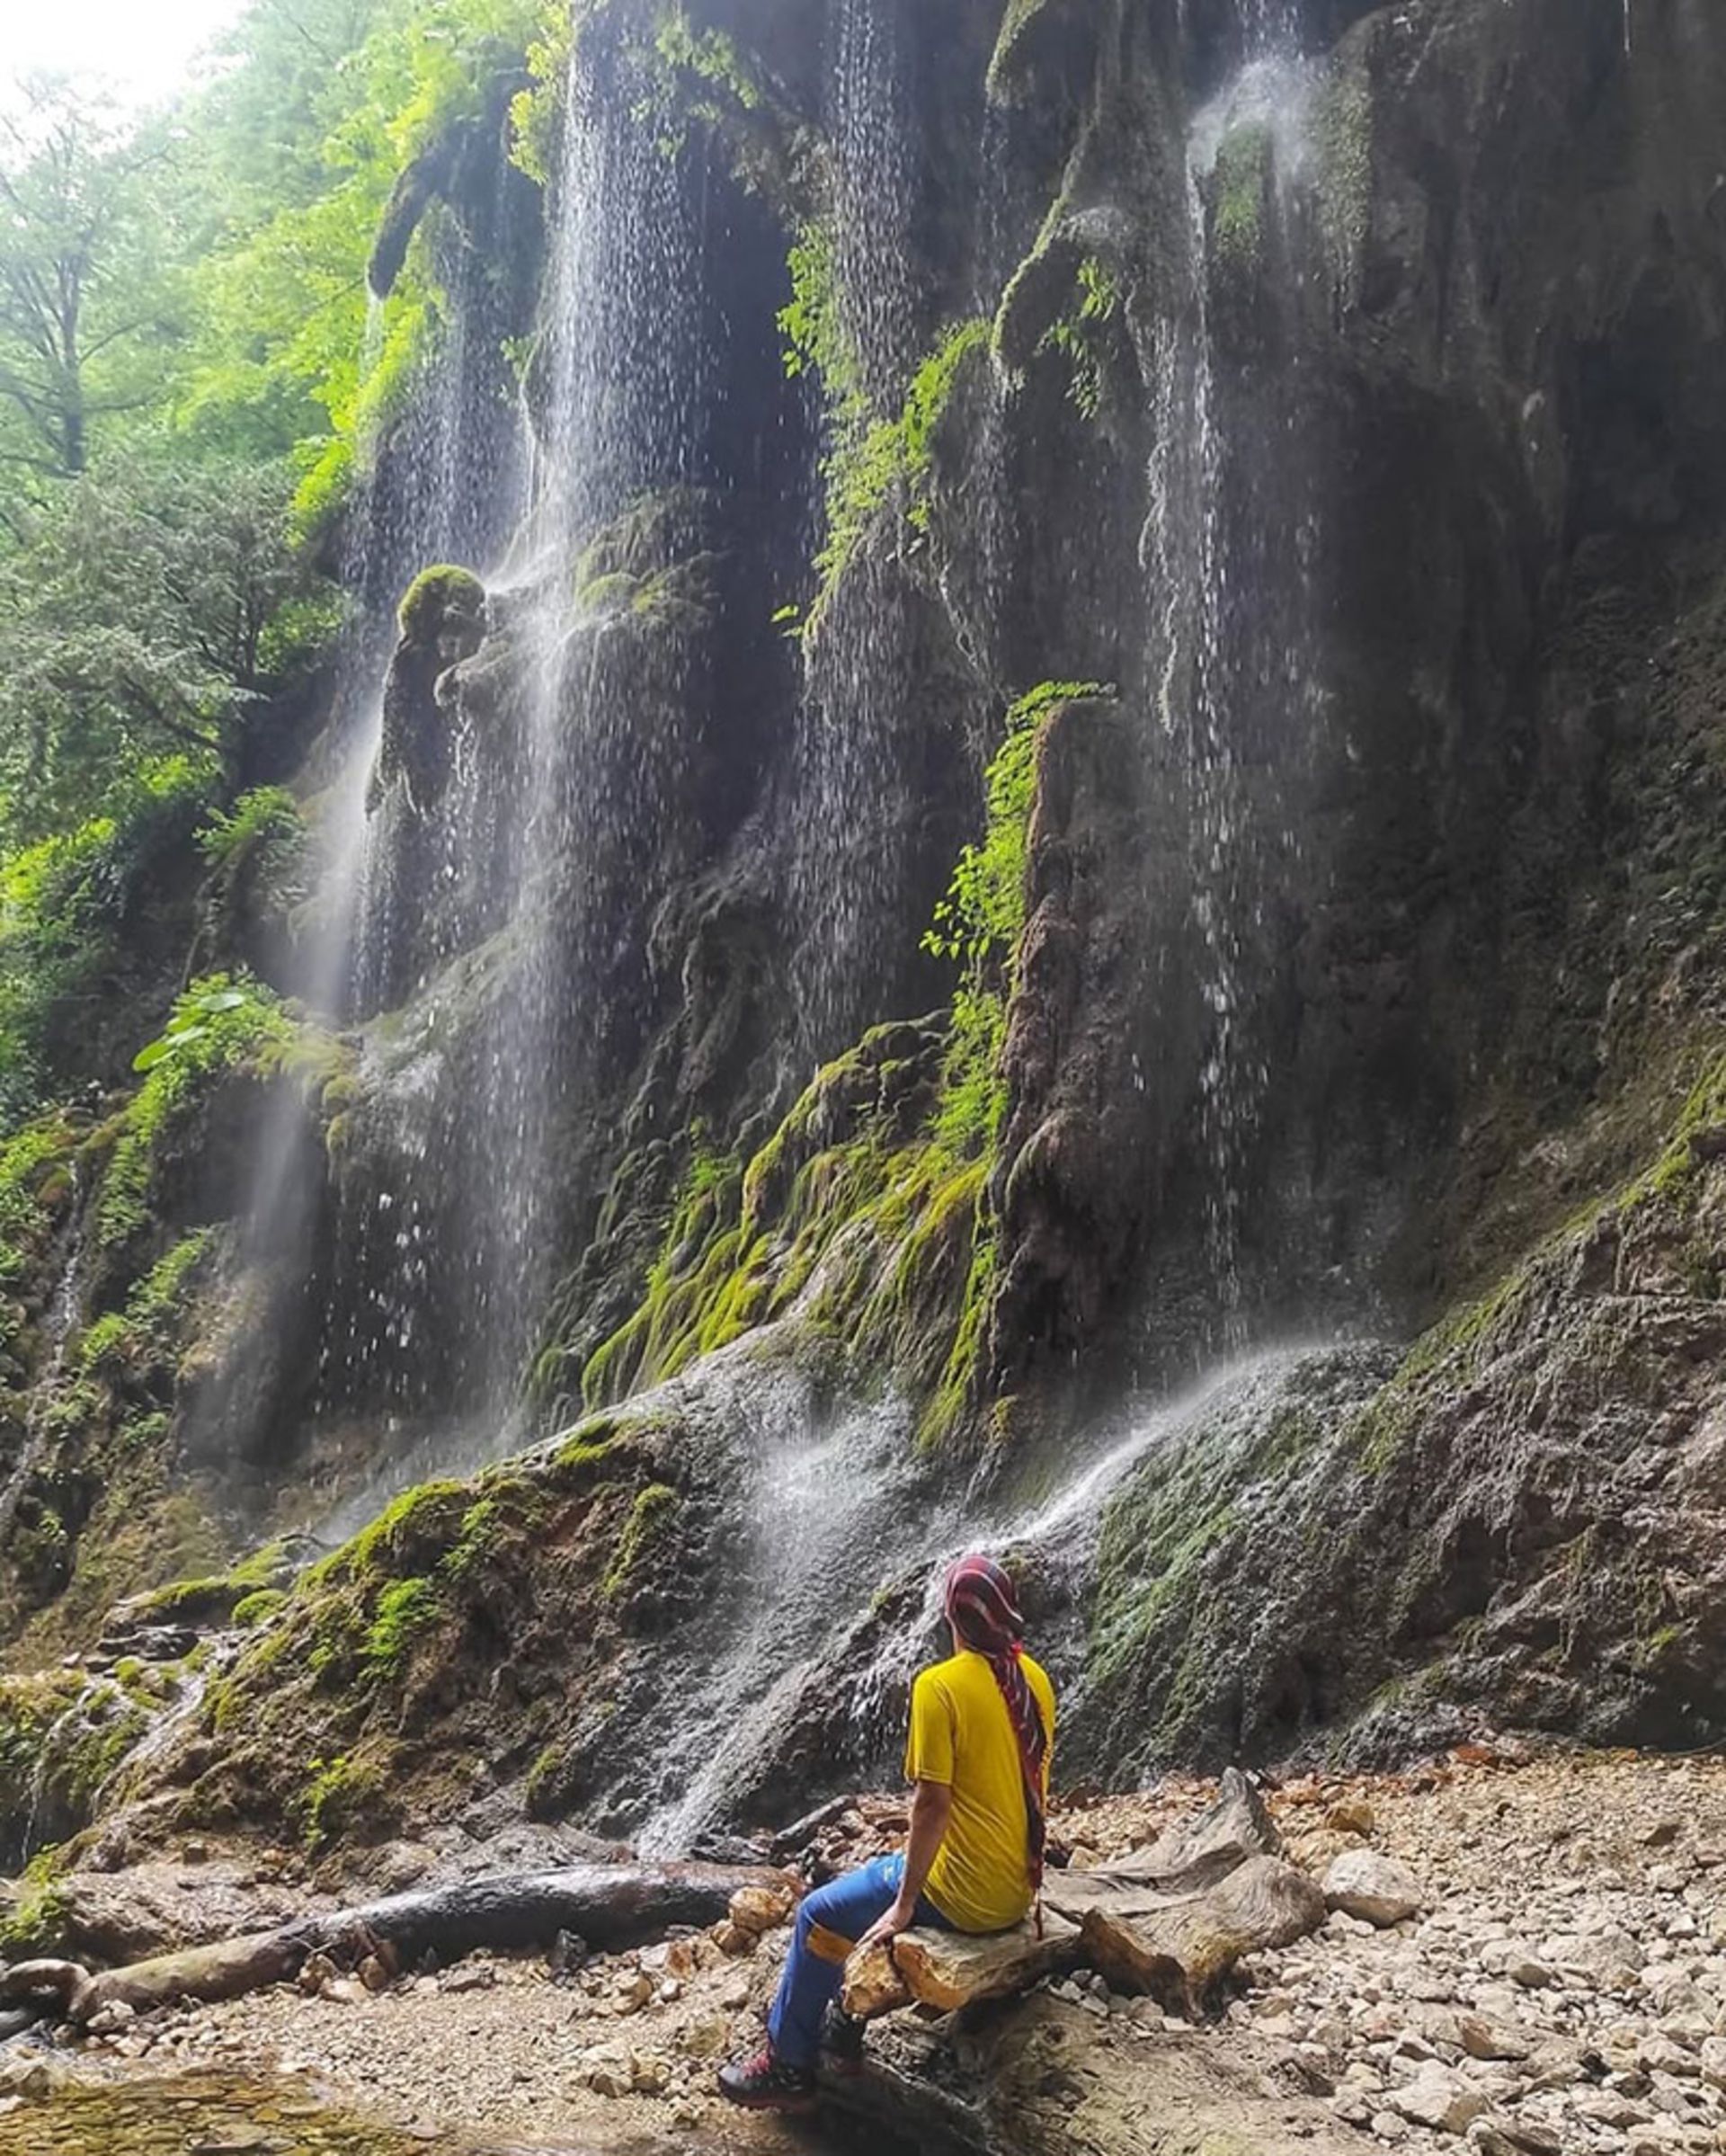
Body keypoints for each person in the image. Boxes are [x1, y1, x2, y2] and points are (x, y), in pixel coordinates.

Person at [718, 1552, 1055, 2112]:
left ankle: (789, 2065)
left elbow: (930, 1807)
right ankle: (841, 2033)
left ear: (952, 1618)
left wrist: (904, 1904)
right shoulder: (1034, 1680)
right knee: (867, 1885)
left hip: (964, 1898)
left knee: (816, 1912)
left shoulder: (939, 1687)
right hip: (1018, 1892)